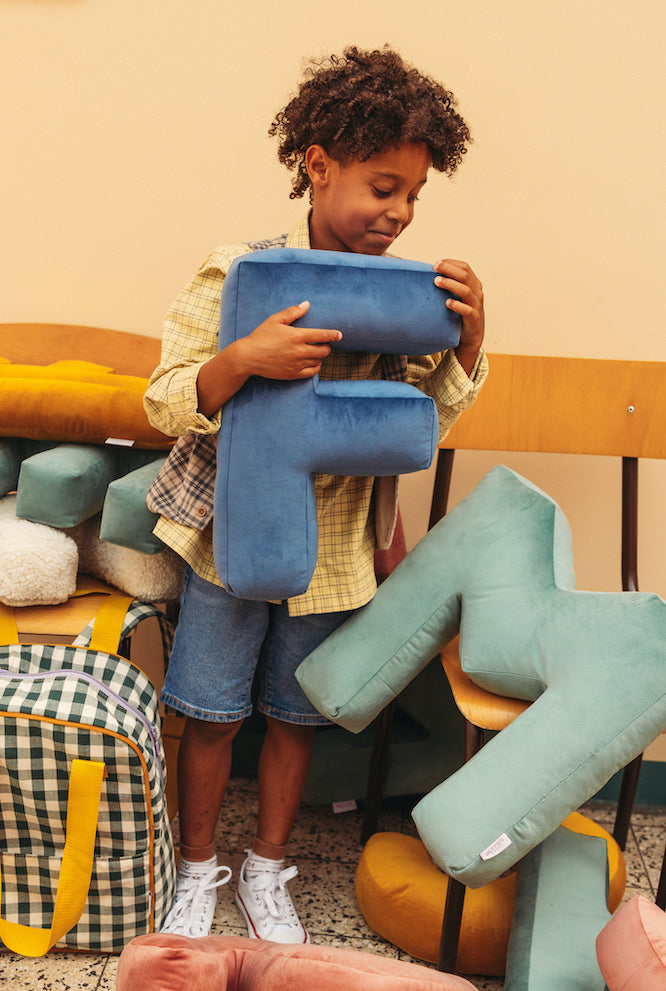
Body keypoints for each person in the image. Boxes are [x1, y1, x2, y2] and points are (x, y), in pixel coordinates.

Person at [143, 44, 488, 943]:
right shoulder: (240, 272)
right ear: (318, 165)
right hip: (231, 538)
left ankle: (266, 871)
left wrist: (467, 350)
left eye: (413, 195)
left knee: (295, 718)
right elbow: (162, 395)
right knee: (210, 714)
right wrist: (240, 360)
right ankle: (197, 870)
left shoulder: (405, 303)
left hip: (335, 549)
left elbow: (421, 424)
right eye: (383, 188)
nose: (399, 213)